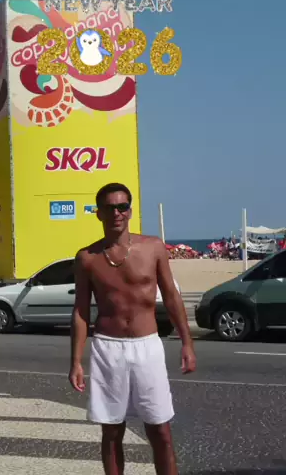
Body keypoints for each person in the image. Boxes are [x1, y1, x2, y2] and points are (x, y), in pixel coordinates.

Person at [69, 183, 196, 475]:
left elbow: (172, 296)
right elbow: (81, 311)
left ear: (130, 210)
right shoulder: (87, 257)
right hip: (107, 348)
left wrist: (187, 343)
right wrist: (76, 361)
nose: (117, 213)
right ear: (99, 213)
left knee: (160, 429)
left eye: (122, 206)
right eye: (109, 208)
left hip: (147, 346)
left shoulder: (153, 248)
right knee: (112, 431)